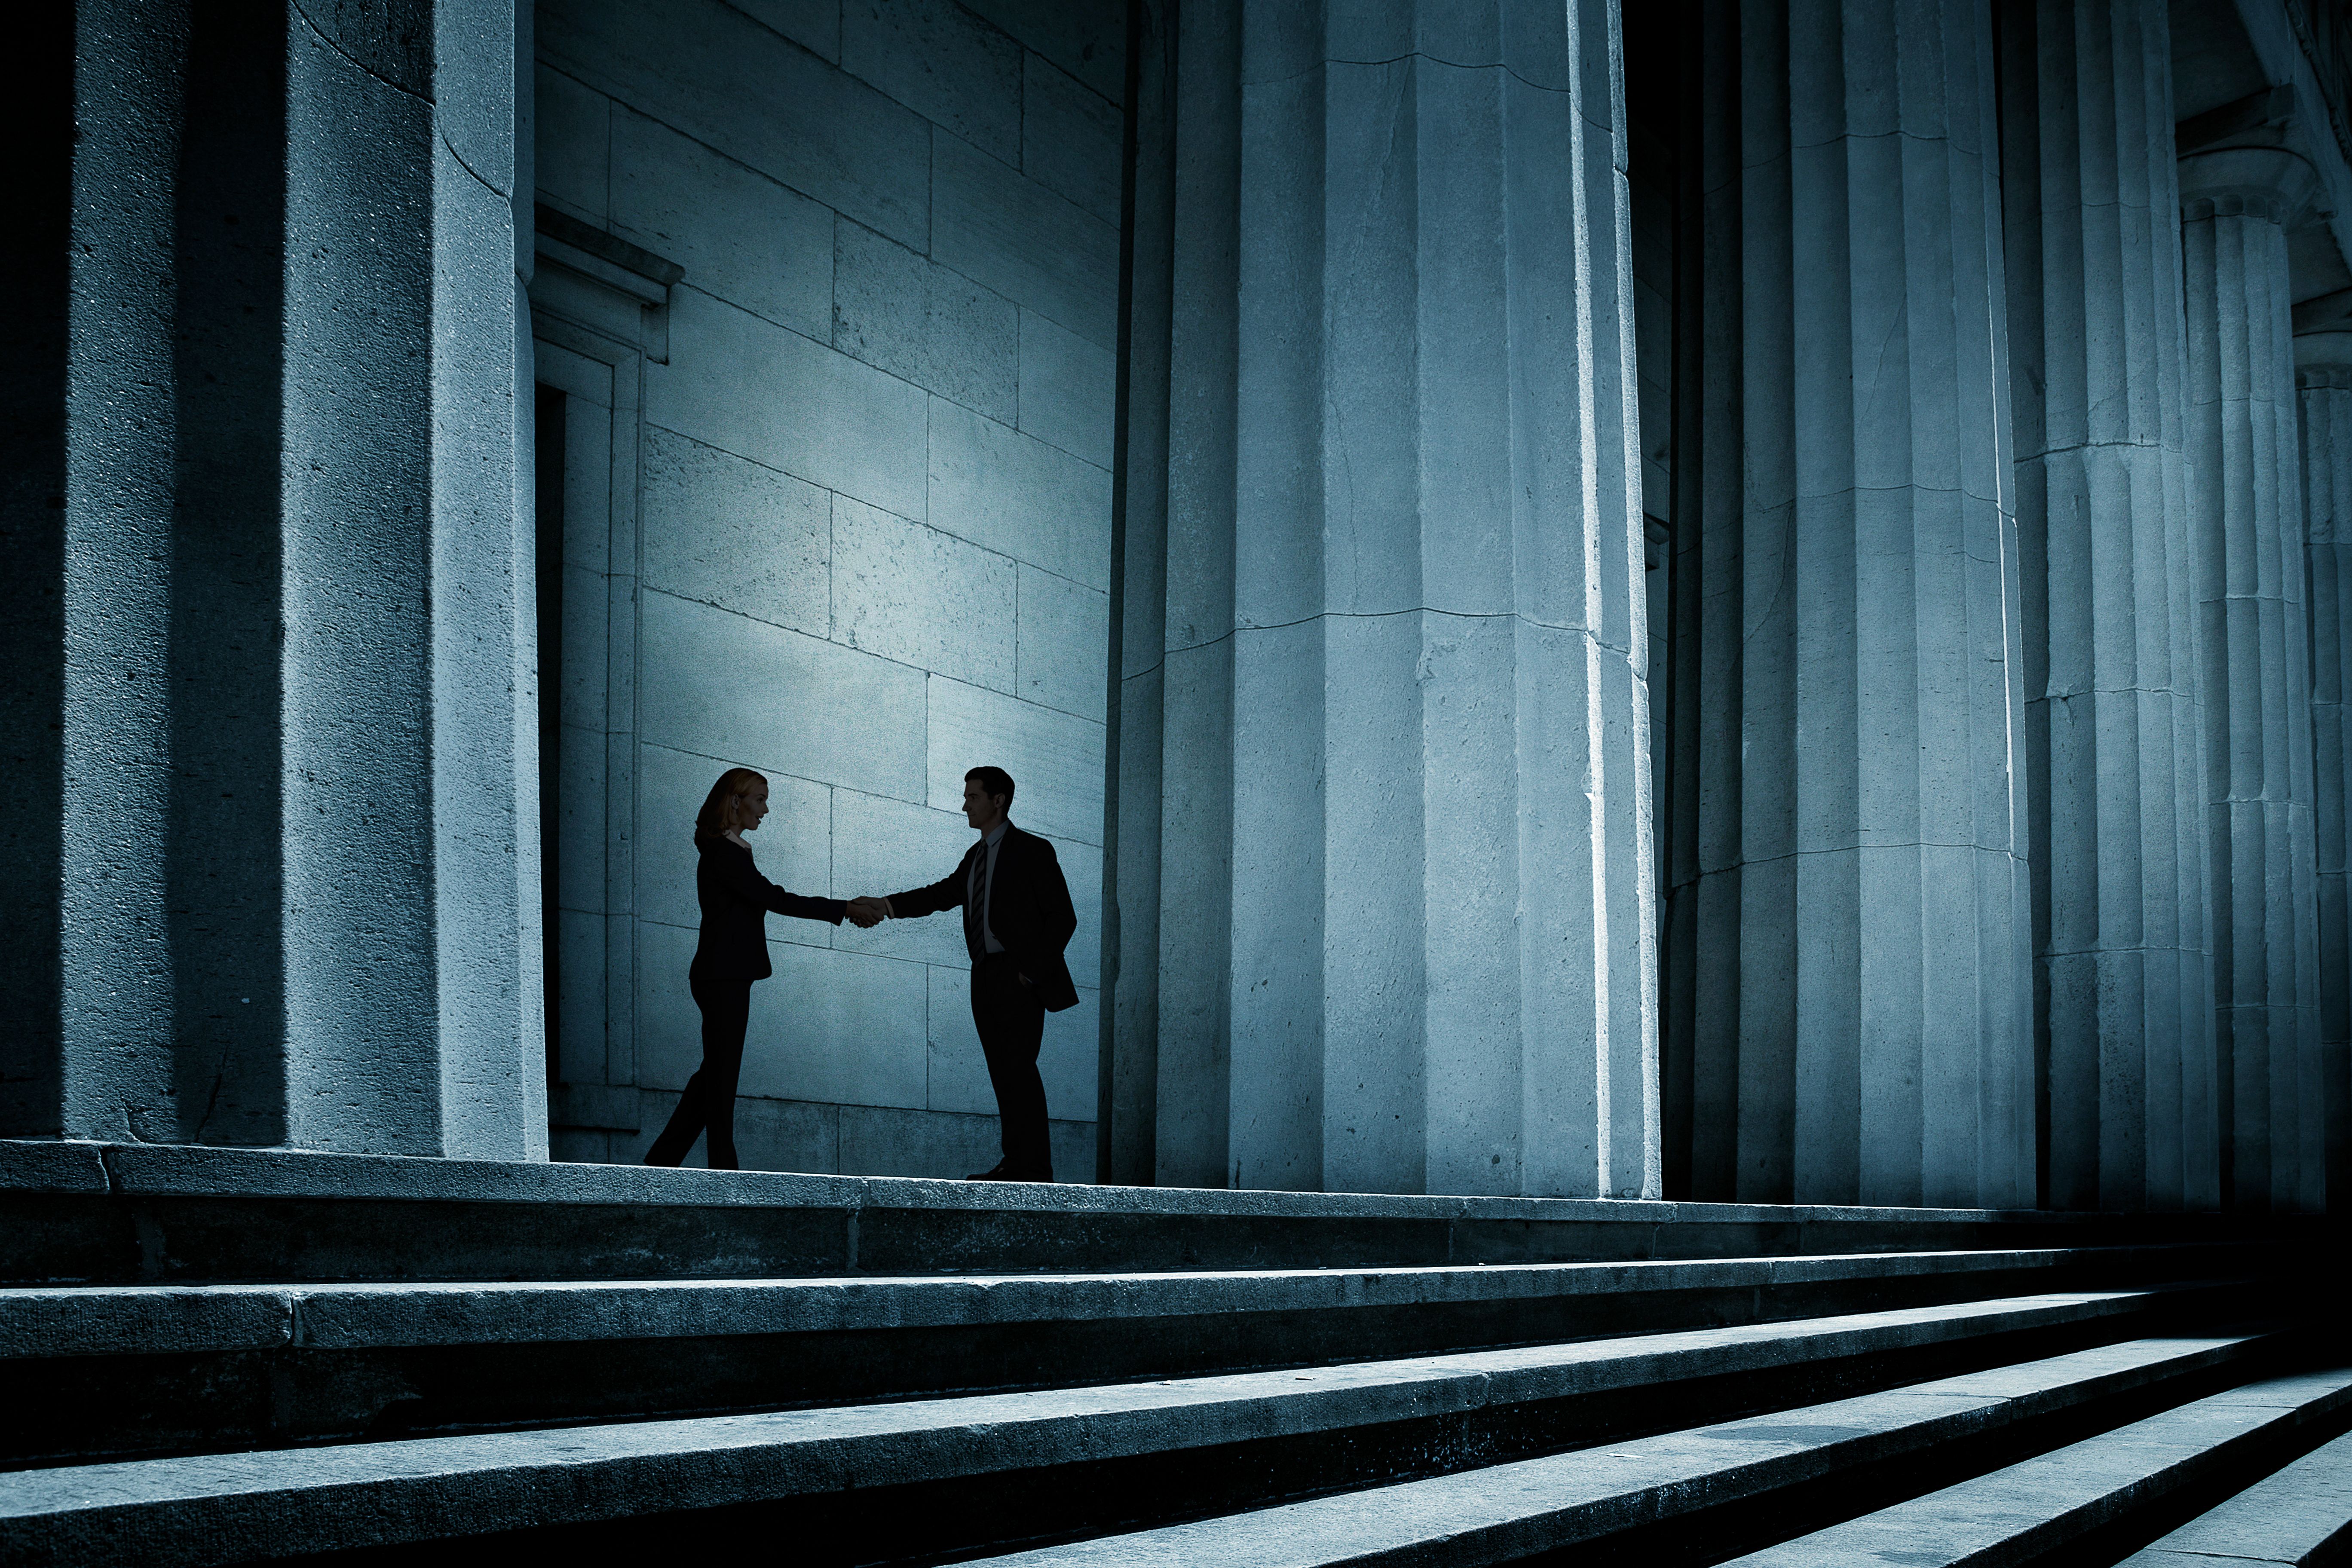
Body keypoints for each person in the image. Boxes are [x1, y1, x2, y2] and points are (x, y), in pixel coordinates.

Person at [849, 766, 1078, 1182]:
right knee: (1002, 1071)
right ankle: (1016, 1163)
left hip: (1018, 976)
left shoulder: (1032, 850)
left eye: (973, 797)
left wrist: (1030, 973)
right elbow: (941, 894)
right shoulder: (975, 857)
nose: (964, 805)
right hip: (984, 975)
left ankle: (1034, 1169)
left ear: (998, 801)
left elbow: (1063, 918)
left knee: (1019, 1069)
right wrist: (886, 905)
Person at [646, 767, 879, 1170]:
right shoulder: (725, 853)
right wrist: (844, 908)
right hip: (723, 977)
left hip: (724, 976)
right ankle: (723, 1170)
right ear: (736, 801)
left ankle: (661, 1165)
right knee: (721, 1078)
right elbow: (776, 899)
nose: (766, 810)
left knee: (713, 1078)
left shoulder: (729, 850)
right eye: (760, 800)